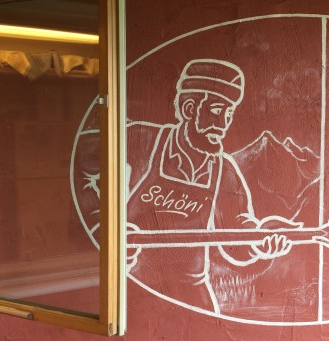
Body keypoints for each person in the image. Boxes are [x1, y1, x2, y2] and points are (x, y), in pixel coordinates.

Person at [82, 59, 297, 314]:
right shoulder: (142, 140)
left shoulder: (224, 169)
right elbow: (81, 166)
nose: (224, 123)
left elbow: (236, 232)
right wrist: (103, 227)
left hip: (191, 288)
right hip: (133, 283)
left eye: (229, 114)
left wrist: (259, 242)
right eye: (217, 111)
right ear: (189, 108)